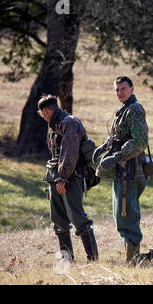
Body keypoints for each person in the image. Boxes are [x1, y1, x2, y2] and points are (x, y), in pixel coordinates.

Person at [93, 76, 148, 265]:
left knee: (126, 214)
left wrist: (116, 157)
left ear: (132, 89)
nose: (120, 93)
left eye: (123, 89)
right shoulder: (124, 110)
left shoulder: (135, 109)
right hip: (122, 171)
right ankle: (132, 257)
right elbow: (119, 136)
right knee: (120, 214)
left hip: (131, 171)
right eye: (117, 90)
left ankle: (133, 261)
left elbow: (140, 142)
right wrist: (102, 148)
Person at [38, 95, 98, 262]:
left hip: (70, 176)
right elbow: (56, 154)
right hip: (54, 176)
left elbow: (70, 153)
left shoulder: (69, 123)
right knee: (58, 220)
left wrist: (63, 178)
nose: (42, 116)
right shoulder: (54, 125)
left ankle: (93, 259)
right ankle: (67, 258)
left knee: (77, 217)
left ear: (45, 111)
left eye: (41, 113)